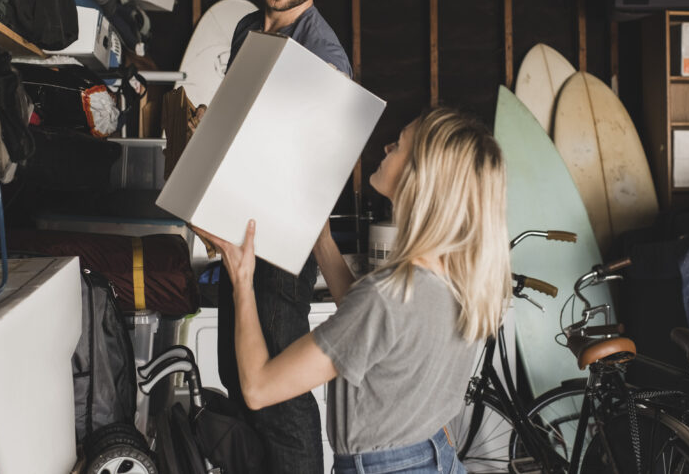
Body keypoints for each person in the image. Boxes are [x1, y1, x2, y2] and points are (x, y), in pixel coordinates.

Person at [194, 108, 512, 474]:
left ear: (420, 177)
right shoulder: (460, 279)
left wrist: (242, 280)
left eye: (400, 145)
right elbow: (370, 334)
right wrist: (323, 242)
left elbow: (258, 387)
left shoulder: (387, 296)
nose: (387, 146)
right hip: (436, 457)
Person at [216, 0, 354, 474]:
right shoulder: (247, 27)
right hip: (235, 228)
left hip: (279, 247)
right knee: (234, 373)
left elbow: (317, 171)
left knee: (278, 400)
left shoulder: (324, 60)